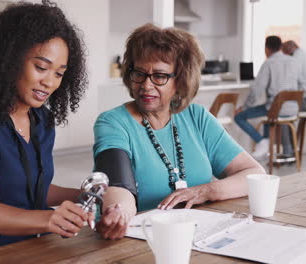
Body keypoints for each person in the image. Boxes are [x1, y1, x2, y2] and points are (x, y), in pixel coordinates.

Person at [0, 1, 93, 256]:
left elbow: (31, 190)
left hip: (41, 248)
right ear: (9, 60)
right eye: (41, 67)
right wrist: (49, 220)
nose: (49, 82)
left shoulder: (42, 120)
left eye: (59, 73)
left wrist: (82, 196)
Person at [92, 24, 265, 240]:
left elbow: (254, 173)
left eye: (160, 76)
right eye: (139, 73)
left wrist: (206, 191)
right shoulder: (112, 122)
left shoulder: (196, 116)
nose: (146, 85)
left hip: (196, 235)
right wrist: (118, 212)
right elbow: (118, 186)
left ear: (180, 80)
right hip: (138, 240)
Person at [234, 36, 299, 160]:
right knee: (268, 111)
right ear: (281, 47)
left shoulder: (269, 63)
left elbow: (256, 89)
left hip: (276, 109)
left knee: (239, 116)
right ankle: (269, 143)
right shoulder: (293, 61)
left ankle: (262, 141)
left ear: (266, 49)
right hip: (294, 109)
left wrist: (244, 107)